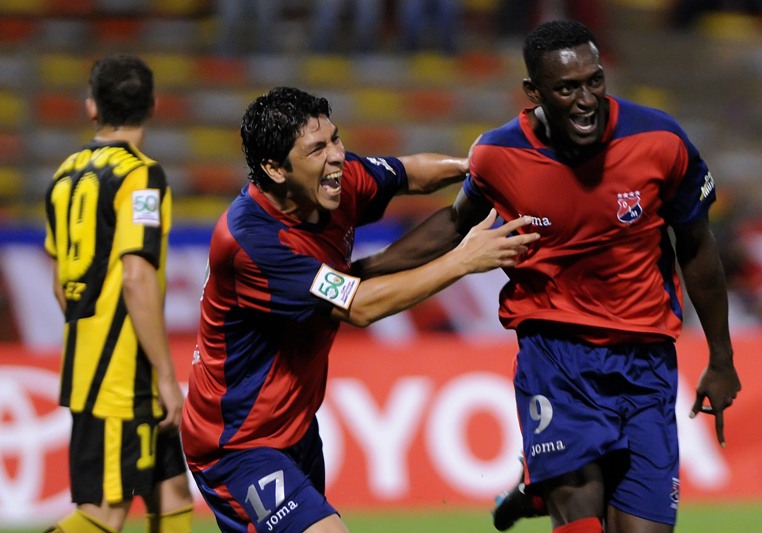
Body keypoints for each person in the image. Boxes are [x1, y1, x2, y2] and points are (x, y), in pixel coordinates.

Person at [354, 20, 742, 533]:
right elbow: (453, 224)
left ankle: (533, 489)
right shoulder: (499, 154)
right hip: (557, 358)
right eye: (567, 88)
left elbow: (697, 249)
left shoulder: (660, 142)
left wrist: (721, 357)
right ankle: (548, 482)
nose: (586, 100)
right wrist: (362, 270)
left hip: (645, 360)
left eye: (594, 81)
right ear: (534, 93)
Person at [179, 86, 539, 533]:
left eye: (335, 138)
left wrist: (475, 167)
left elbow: (409, 173)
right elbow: (359, 305)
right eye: (317, 149)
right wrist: (465, 260)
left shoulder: (337, 179)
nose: (337, 157)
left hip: (294, 428)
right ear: (274, 169)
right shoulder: (252, 242)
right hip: (237, 442)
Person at [43, 54, 194, 533]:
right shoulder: (142, 177)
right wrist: (167, 376)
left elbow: (60, 283)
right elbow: (137, 277)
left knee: (170, 492)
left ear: (92, 107)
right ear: (153, 105)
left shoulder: (64, 175)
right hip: (122, 377)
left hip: (92, 362)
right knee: (102, 514)